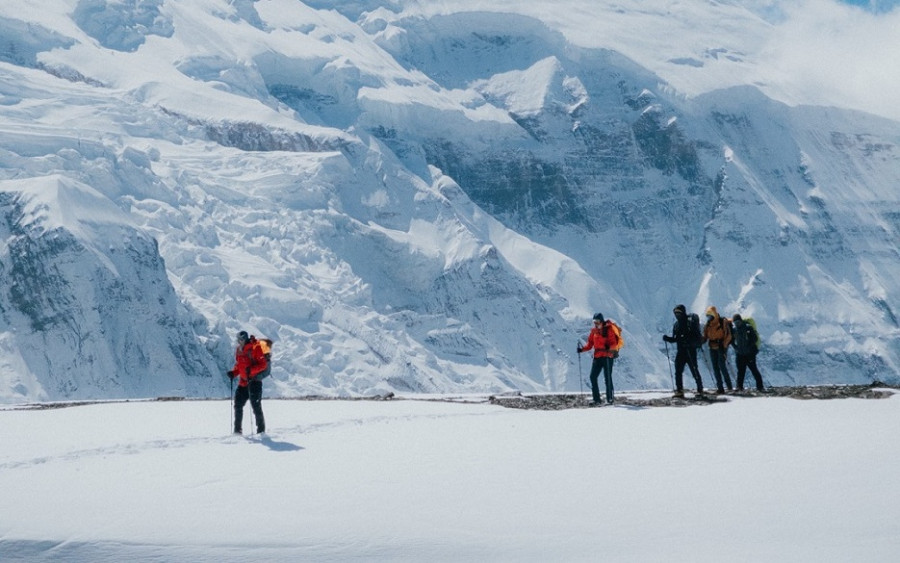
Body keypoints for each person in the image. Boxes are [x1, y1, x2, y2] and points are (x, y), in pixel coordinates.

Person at [227, 330, 268, 434]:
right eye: (238, 340)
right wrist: (234, 373)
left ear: (244, 339)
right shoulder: (239, 350)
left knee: (256, 407)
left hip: (254, 382)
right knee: (237, 405)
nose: (238, 342)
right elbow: (239, 365)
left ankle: (261, 432)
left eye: (240, 340)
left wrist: (252, 370)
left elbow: (263, 365)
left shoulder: (255, 348)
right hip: (243, 383)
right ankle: (237, 431)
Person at [577, 313, 620, 404]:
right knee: (593, 377)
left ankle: (610, 399)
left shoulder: (609, 330)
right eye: (594, 321)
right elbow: (589, 345)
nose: (595, 323)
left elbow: (614, 343)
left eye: (597, 321)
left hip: (607, 357)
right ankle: (597, 399)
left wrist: (610, 347)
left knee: (607, 378)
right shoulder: (594, 332)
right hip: (597, 357)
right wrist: (581, 350)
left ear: (601, 321)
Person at [662, 304, 704, 397]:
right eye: (676, 313)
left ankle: (697, 389)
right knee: (680, 371)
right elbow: (676, 338)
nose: (677, 315)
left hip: (688, 350)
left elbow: (677, 338)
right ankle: (681, 390)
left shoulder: (683, 324)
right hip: (684, 350)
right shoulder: (678, 324)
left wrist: (669, 339)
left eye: (678, 313)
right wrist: (668, 339)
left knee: (692, 370)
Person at [702, 306, 734, 394]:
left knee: (721, 366)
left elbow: (728, 336)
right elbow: (705, 336)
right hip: (713, 347)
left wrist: (723, 346)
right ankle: (720, 388)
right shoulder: (708, 325)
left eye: (710, 316)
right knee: (716, 368)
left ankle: (729, 386)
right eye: (708, 316)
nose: (709, 318)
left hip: (721, 348)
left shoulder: (722, 322)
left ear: (714, 315)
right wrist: (700, 341)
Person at [731, 314, 765, 392]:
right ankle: (739, 387)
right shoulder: (734, 330)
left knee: (753, 370)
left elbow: (754, 339)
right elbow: (731, 340)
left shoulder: (747, 328)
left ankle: (760, 387)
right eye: (735, 322)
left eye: (738, 322)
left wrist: (748, 347)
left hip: (749, 354)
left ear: (741, 320)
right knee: (741, 371)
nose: (737, 324)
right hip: (740, 354)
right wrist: (736, 348)